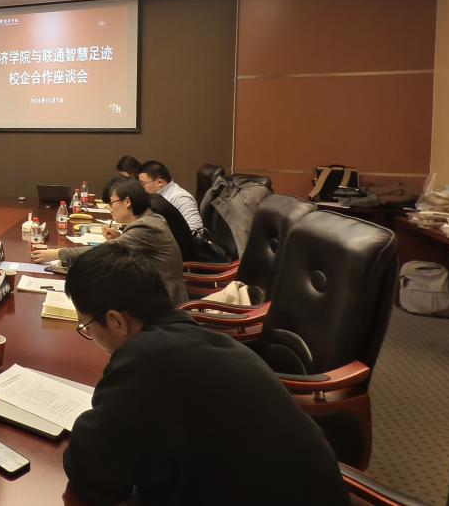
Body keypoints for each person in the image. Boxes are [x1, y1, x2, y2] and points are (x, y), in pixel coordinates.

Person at [61, 243, 349, 506]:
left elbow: (91, 475)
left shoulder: (145, 360)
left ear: (116, 321)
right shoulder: (195, 337)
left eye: (87, 327)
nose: (91, 337)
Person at [32, 177, 187, 306]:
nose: (110, 208)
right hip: (154, 292)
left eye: (112, 203)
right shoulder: (151, 219)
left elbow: (105, 251)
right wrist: (120, 236)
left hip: (163, 304)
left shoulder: (146, 226)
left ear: (127, 201)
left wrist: (57, 253)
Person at [138, 160, 203, 232]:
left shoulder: (181, 198)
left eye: (143, 184)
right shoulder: (153, 197)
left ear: (159, 182)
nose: (141, 188)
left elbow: (196, 231)